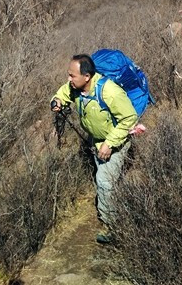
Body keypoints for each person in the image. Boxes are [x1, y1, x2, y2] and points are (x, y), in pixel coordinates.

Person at [51, 54, 138, 243]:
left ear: (87, 76)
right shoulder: (76, 88)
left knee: (104, 181)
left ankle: (113, 227)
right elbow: (63, 93)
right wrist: (57, 101)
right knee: (106, 179)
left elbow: (129, 118)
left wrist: (109, 143)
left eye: (72, 76)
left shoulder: (110, 92)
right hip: (96, 141)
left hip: (115, 141)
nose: (69, 79)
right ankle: (116, 207)